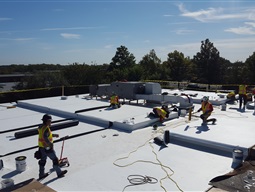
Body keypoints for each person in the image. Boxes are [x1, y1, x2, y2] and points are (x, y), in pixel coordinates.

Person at [38, 114, 67, 179]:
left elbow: (45, 135)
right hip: (47, 148)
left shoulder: (41, 127)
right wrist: (50, 144)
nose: (51, 122)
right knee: (55, 160)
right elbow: (45, 137)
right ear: (47, 121)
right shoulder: (46, 129)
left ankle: (41, 174)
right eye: (50, 121)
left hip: (41, 147)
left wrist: (54, 135)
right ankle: (59, 173)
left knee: (42, 161)